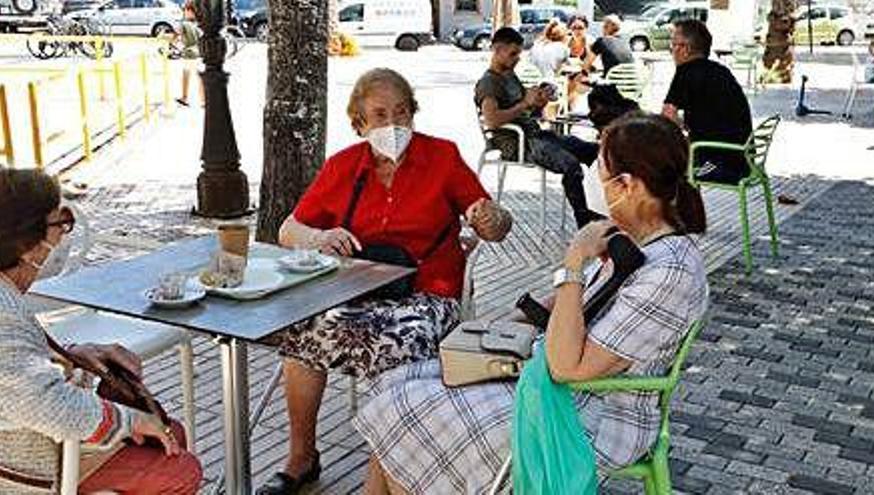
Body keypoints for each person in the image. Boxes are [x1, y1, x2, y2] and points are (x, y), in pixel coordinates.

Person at [353, 112, 709, 494]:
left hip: (597, 416)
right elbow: (576, 302)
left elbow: (567, 366)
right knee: (394, 383)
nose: (591, 177)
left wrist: (573, 262)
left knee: (405, 409)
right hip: (553, 386)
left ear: (627, 185)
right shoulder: (635, 239)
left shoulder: (670, 271)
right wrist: (508, 321)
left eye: (599, 171)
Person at [257, 68, 513, 495]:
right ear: (359, 123)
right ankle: (301, 458)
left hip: (429, 293)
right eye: (380, 115)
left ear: (413, 114)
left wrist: (492, 219)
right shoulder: (343, 166)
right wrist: (319, 238)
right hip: (356, 291)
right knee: (301, 333)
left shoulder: (442, 157)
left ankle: (389, 475)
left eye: (402, 112)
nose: (393, 124)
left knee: (398, 344)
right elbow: (289, 230)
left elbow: (494, 223)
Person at [0, 169, 202, 494]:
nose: (64, 233)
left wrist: (71, 354)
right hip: (20, 468)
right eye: (60, 222)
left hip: (32, 443)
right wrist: (128, 421)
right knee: (178, 471)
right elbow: (41, 402)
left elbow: (15, 367)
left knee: (171, 435)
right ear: (26, 245)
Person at [476, 27, 604, 228]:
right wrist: (525, 104)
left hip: (535, 134)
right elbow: (492, 120)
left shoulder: (509, 75)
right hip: (519, 143)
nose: (517, 59)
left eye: (519, 54)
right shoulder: (489, 83)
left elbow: (526, 108)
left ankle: (600, 208)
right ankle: (585, 222)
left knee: (596, 152)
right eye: (513, 54)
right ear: (497, 50)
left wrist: (540, 99)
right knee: (570, 165)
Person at [662, 19, 753, 185]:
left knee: (658, 169)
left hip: (721, 164)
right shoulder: (721, 71)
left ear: (685, 49)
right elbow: (713, 118)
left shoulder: (685, 72)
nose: (671, 51)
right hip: (742, 159)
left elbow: (667, 118)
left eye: (673, 45)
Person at [175, 1, 203, 107]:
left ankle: (184, 98)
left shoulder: (184, 24)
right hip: (199, 54)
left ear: (190, 11)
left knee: (186, 75)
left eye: (185, 10)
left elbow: (176, 35)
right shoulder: (198, 24)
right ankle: (204, 101)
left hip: (189, 54)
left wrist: (169, 40)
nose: (184, 12)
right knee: (200, 77)